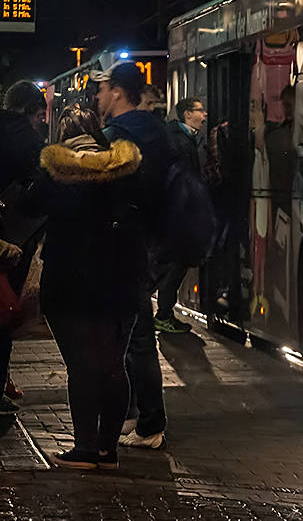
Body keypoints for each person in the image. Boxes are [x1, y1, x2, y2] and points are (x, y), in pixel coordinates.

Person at [30, 105, 146, 470]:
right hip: (124, 280)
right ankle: (106, 450)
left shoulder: (57, 173)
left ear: (61, 136)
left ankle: (84, 448)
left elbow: (29, 205)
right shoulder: (124, 170)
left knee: (82, 366)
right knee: (113, 364)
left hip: (71, 282)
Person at [93, 62, 171, 449]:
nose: (98, 96)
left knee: (134, 336)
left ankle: (149, 423)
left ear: (119, 92)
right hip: (153, 243)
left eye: (103, 88)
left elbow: (103, 197)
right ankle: (135, 414)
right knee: (131, 332)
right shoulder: (160, 131)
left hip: (123, 245)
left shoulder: (115, 136)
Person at [0, 81, 48, 415]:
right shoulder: (26, 139)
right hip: (11, 239)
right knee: (3, 312)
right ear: (27, 110)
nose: (39, 122)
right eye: (39, 115)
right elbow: (41, 192)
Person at [151, 97, 208, 334]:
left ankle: (164, 312)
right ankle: (163, 314)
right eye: (199, 111)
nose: (204, 115)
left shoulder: (183, 138)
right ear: (187, 114)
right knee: (176, 263)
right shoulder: (180, 142)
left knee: (176, 263)